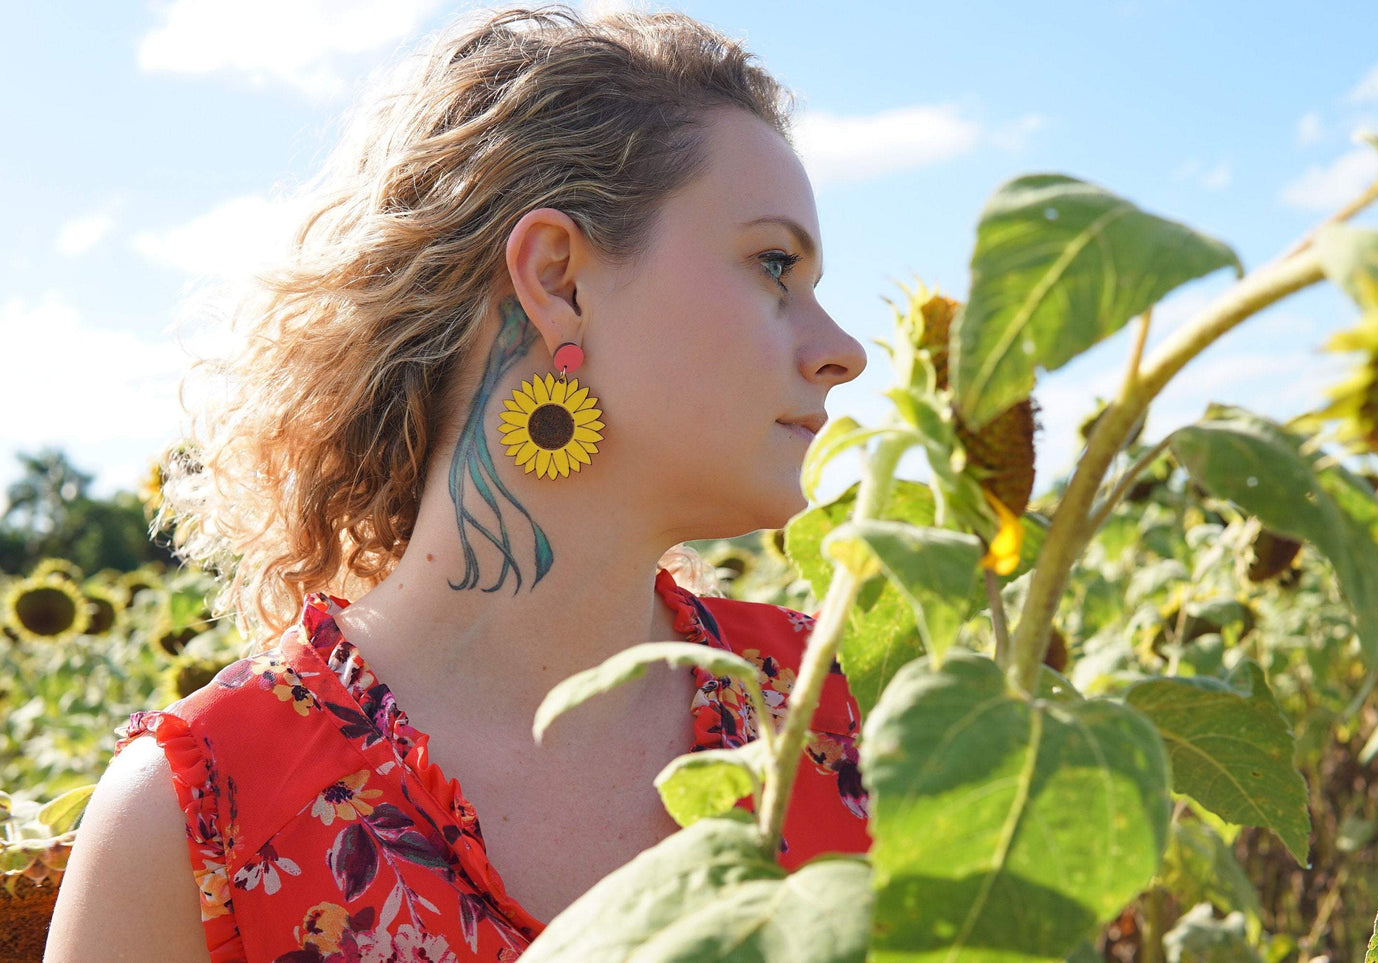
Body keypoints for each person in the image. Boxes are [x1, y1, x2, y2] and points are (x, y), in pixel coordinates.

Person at [46, 5, 870, 961]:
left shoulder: (855, 713)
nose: (841, 351)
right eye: (774, 264)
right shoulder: (201, 818)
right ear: (558, 279)